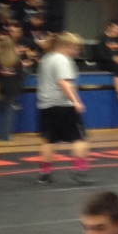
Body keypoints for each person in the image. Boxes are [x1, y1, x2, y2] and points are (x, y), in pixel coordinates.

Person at [36, 33, 90, 185]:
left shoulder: (47, 58)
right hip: (63, 105)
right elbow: (64, 83)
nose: (78, 51)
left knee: (49, 140)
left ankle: (45, 173)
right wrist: (76, 101)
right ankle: (80, 172)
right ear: (66, 46)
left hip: (46, 104)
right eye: (76, 47)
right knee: (79, 139)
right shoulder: (62, 60)